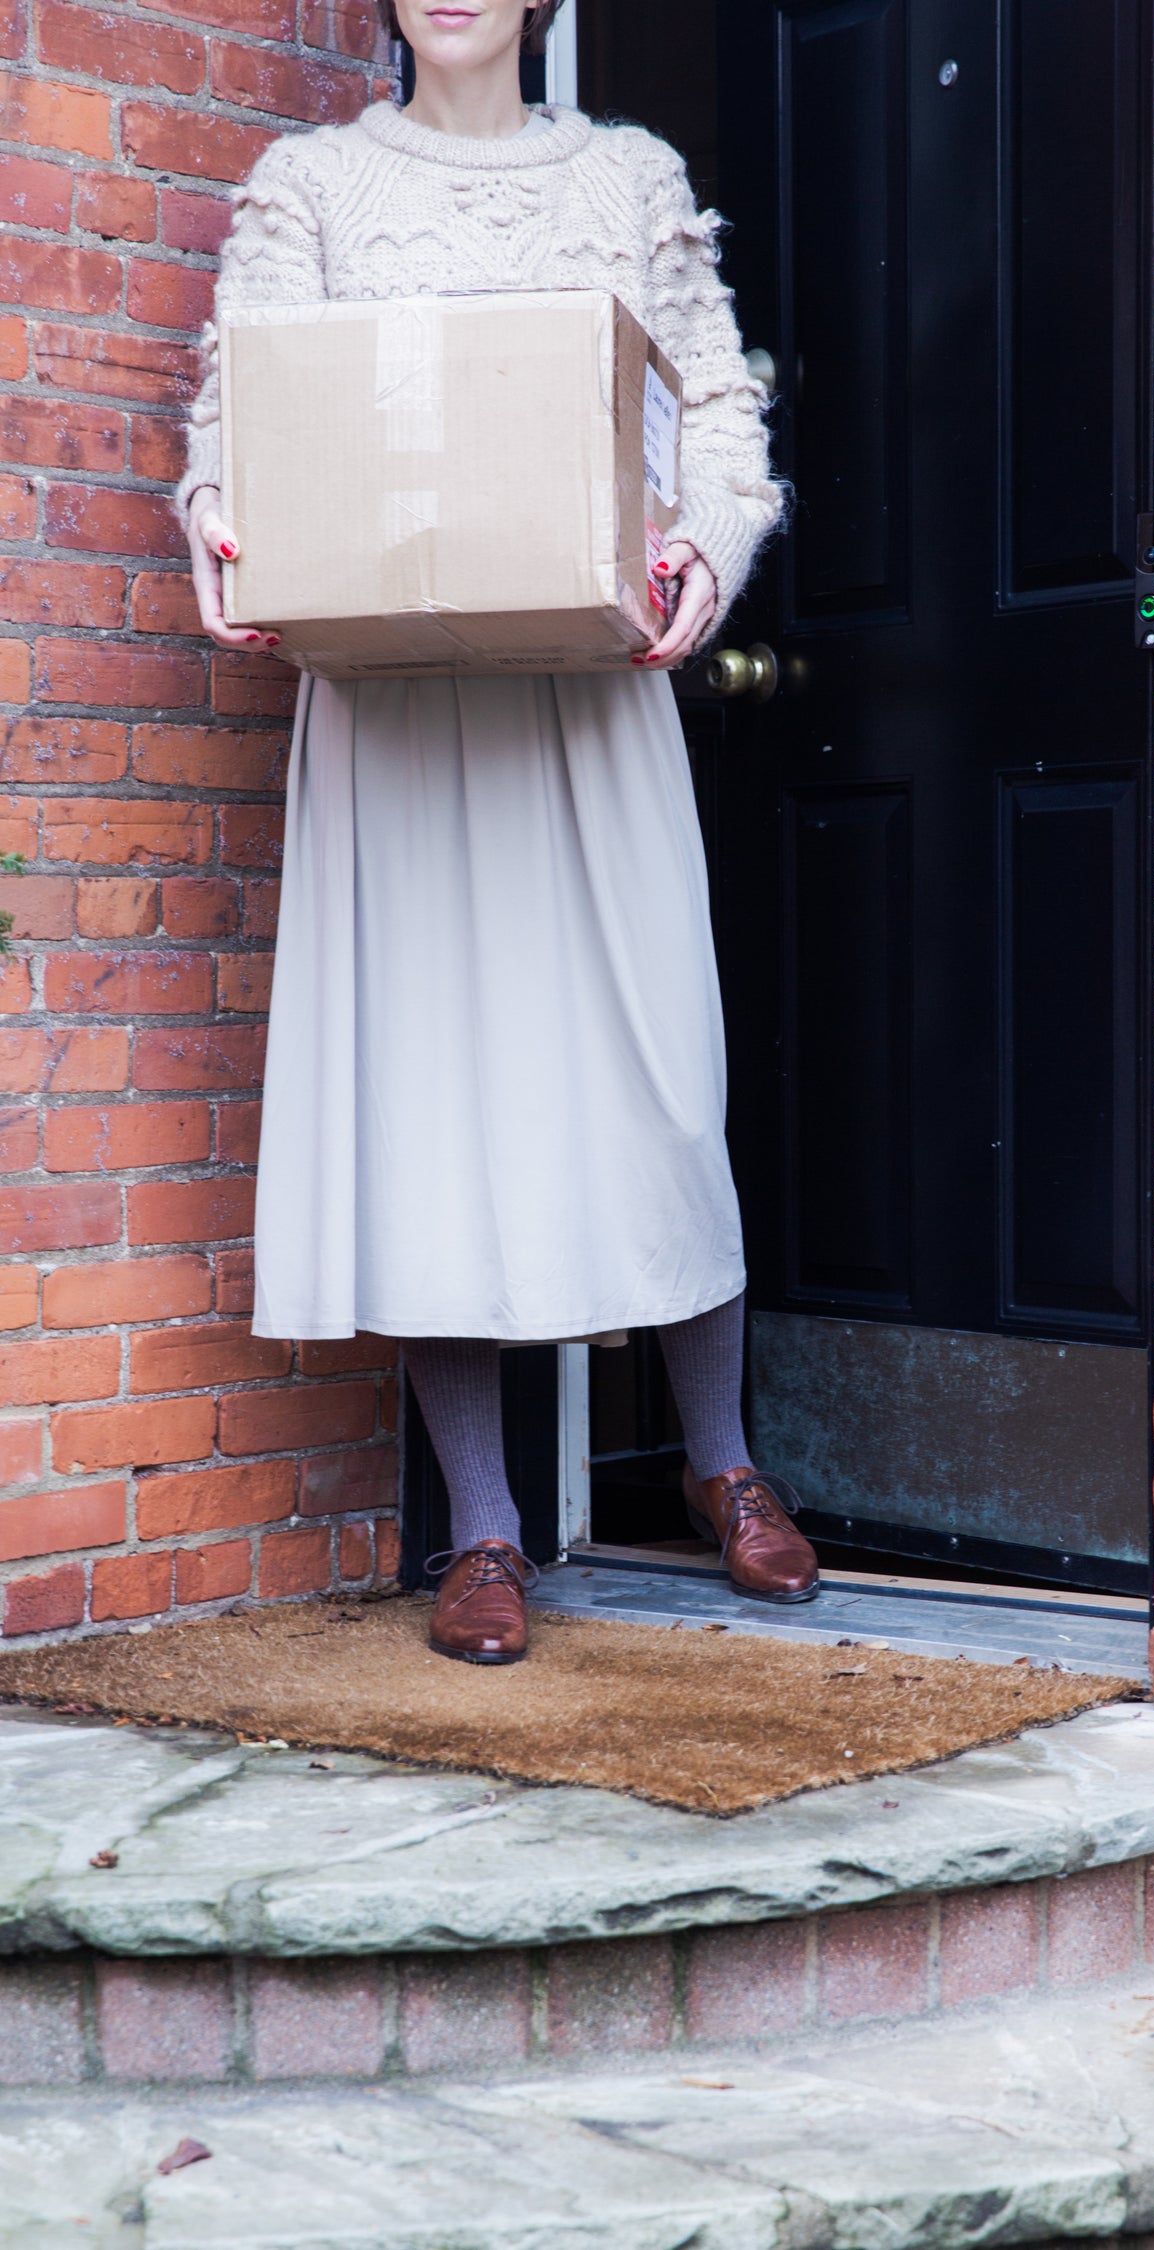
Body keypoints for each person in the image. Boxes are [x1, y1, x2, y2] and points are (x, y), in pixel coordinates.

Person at [179, 0, 820, 1664]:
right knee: (429, 1094)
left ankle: (721, 1461)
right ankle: (482, 1527)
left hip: (588, 696)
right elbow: (239, 424)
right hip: (393, 712)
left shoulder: (626, 180)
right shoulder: (307, 189)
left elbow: (721, 425)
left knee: (659, 1071)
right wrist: (226, 528)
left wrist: (702, 554)